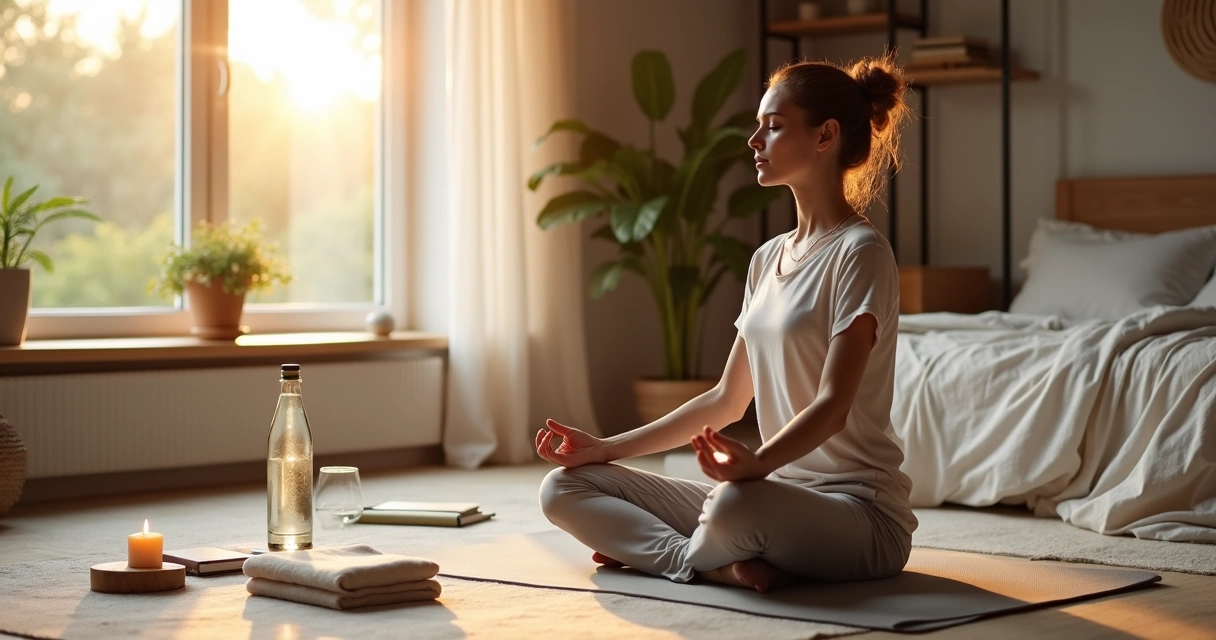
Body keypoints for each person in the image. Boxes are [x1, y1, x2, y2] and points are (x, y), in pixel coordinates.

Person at [536, 52, 915, 594]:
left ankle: (674, 555)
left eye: (774, 127)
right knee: (564, 487)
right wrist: (604, 448)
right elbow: (724, 401)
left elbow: (833, 407)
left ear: (825, 135)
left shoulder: (861, 252)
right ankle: (711, 563)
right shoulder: (766, 259)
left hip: (858, 515)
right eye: (757, 127)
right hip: (768, 494)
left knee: (734, 504)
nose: (753, 141)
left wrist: (755, 465)